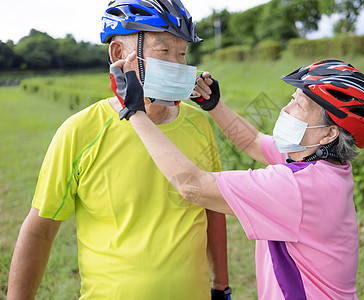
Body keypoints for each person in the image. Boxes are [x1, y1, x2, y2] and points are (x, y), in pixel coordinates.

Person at [108, 56, 364, 299]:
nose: (284, 109)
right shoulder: (325, 167)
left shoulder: (295, 187)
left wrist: (135, 113)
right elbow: (254, 141)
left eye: (299, 106)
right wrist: (213, 104)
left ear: (329, 133)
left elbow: (192, 185)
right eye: (291, 99)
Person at [7, 1, 231, 299]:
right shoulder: (79, 131)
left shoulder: (199, 123)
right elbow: (41, 229)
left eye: (182, 53)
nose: (178, 64)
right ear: (118, 54)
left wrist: (221, 285)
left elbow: (213, 209)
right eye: (164, 52)